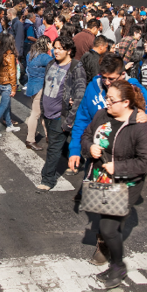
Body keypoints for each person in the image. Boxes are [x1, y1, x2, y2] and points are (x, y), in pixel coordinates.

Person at [80, 80, 147, 288]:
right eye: (106, 99)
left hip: (126, 185)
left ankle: (117, 266)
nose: (107, 104)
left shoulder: (139, 126)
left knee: (108, 227)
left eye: (112, 101)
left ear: (126, 103)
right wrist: (90, 147)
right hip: (102, 180)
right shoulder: (101, 115)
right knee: (111, 226)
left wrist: (119, 167)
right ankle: (115, 262)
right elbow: (86, 135)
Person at [37, 35, 87, 190]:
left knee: (53, 146)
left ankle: (48, 179)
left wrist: (69, 120)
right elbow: (45, 87)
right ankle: (77, 158)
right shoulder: (51, 63)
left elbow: (79, 95)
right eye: (55, 47)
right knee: (56, 142)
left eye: (60, 48)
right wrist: (42, 111)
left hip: (62, 115)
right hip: (48, 112)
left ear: (69, 51)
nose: (56, 51)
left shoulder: (76, 68)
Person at [25, 35, 53, 151]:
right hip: (40, 87)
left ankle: (48, 136)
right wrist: (51, 50)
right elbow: (55, 64)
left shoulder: (30, 54)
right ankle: (30, 140)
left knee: (41, 112)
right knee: (36, 114)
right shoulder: (44, 57)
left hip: (31, 85)